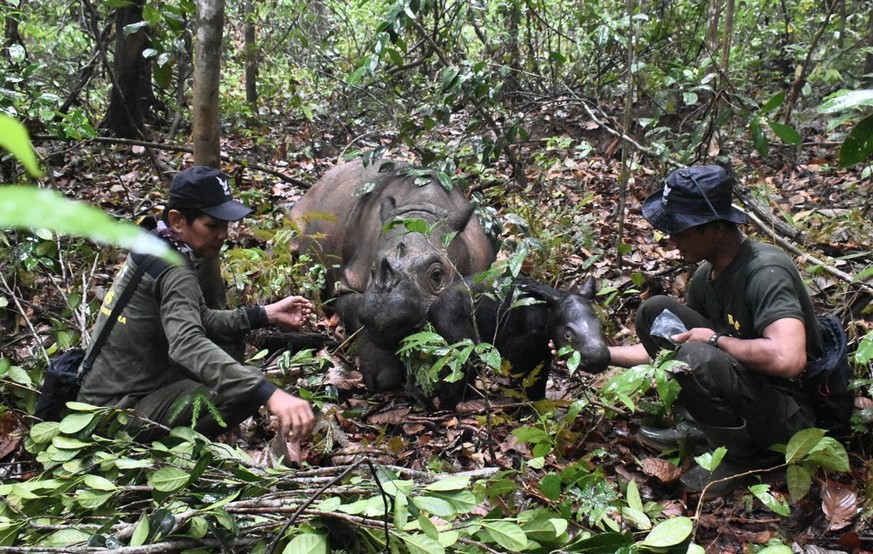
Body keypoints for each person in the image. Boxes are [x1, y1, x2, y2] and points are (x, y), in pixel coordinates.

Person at [608, 165, 822, 494]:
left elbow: (789, 358)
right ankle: (701, 427)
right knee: (654, 313)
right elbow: (673, 343)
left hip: (790, 416)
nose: (672, 238)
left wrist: (715, 339)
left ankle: (745, 460)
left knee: (697, 355)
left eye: (680, 228)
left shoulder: (766, 272)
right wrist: (604, 353)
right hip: (746, 391)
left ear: (716, 227)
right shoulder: (706, 276)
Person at [78, 166, 315, 443]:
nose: (224, 235)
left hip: (97, 401)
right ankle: (160, 454)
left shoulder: (157, 244)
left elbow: (197, 318)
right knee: (248, 388)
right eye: (213, 226)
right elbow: (186, 344)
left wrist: (264, 314)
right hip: (114, 415)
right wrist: (270, 394)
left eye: (226, 225)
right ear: (178, 221)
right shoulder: (174, 270)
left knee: (231, 361)